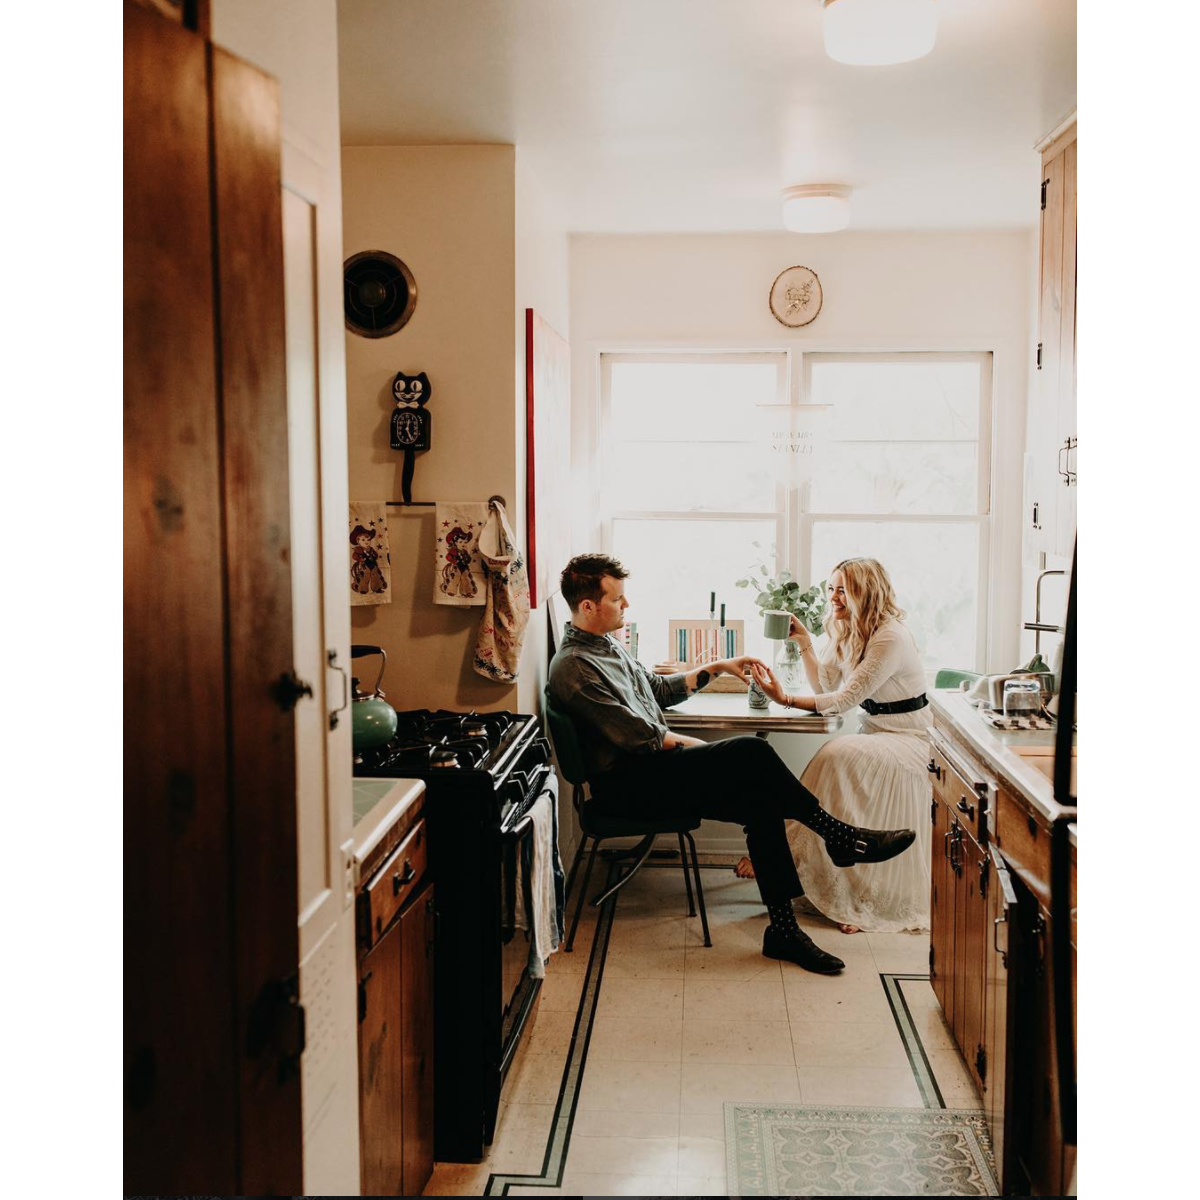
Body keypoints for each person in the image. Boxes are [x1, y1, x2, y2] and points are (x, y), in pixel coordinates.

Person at [546, 553, 916, 975]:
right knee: (748, 753)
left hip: (652, 771)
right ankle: (840, 837)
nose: (626, 606)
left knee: (761, 799)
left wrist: (720, 666)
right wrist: (708, 753)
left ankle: (783, 931)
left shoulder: (606, 645)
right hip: (629, 786)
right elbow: (643, 738)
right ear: (588, 606)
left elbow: (657, 690)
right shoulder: (575, 667)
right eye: (618, 599)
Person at [744, 558, 933, 935]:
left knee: (836, 755)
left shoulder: (890, 637)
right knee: (836, 758)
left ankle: (796, 859)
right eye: (831, 588)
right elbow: (824, 688)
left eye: (843, 589)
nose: (833, 597)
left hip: (911, 741)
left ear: (867, 591)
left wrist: (783, 698)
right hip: (878, 734)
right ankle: (795, 857)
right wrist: (806, 645)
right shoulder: (848, 629)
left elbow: (844, 699)